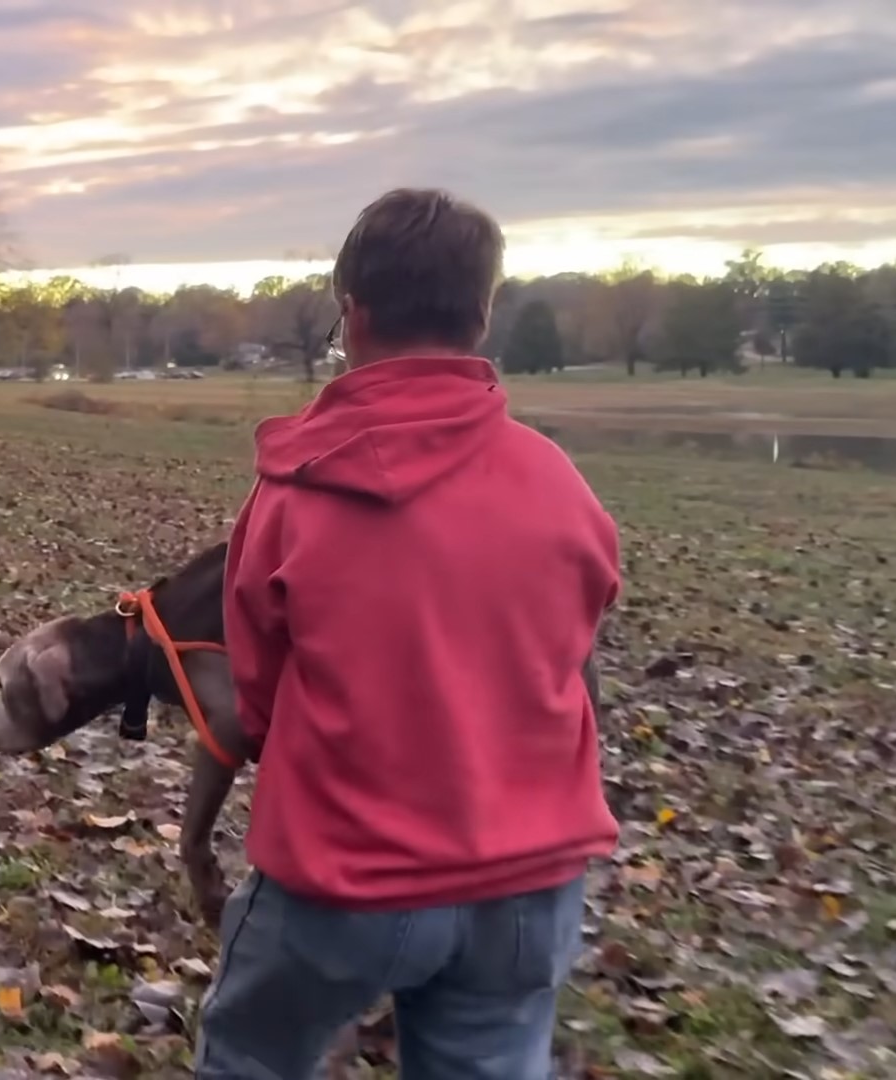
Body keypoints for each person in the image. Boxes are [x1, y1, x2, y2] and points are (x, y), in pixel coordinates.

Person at [196, 188, 622, 1079]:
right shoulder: (558, 483)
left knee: (250, 1057)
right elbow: (574, 653)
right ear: (484, 311)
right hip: (528, 882)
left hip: (341, 879)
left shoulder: (293, 496)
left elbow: (259, 698)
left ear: (351, 315)